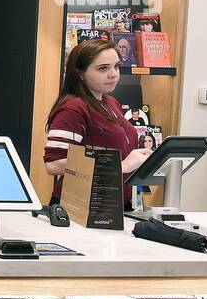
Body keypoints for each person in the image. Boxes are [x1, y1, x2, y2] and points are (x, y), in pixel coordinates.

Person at [43, 38, 148, 206]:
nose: (113, 74)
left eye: (116, 66)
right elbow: (53, 164)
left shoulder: (110, 102)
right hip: (83, 206)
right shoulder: (74, 108)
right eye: (103, 68)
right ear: (80, 74)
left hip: (115, 202)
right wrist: (119, 166)